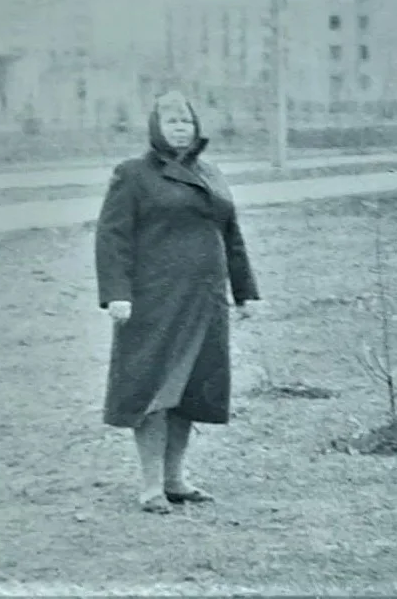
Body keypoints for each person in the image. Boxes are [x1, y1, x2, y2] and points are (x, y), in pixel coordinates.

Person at [94, 90, 260, 513]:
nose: (181, 128)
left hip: (205, 301)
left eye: (187, 121)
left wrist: (245, 292)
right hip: (155, 301)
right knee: (154, 388)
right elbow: (112, 239)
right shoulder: (132, 175)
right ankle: (150, 486)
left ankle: (175, 478)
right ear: (156, 129)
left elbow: (231, 235)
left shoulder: (210, 174)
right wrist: (116, 294)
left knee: (190, 390)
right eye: (172, 122)